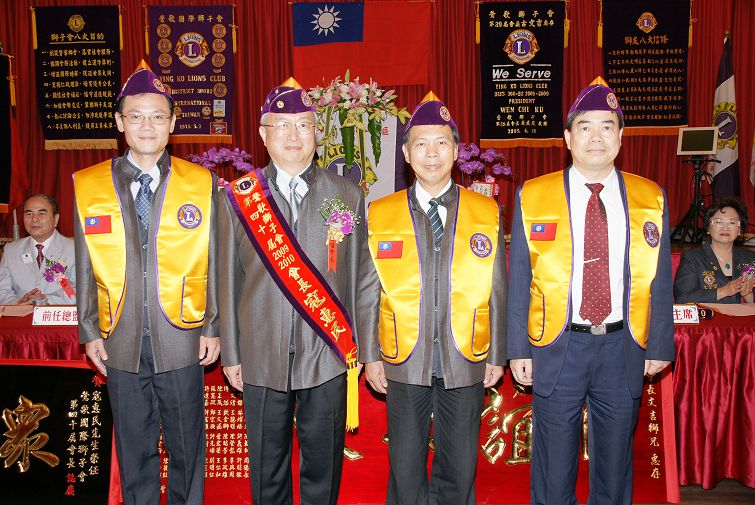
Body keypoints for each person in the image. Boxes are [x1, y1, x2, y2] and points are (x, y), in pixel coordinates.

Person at [506, 78, 675, 505]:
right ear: (568, 138)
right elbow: (520, 278)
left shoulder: (649, 197)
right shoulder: (534, 194)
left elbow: (659, 281)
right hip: (557, 345)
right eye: (585, 127)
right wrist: (518, 349)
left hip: (623, 345)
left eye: (606, 126)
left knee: (615, 466)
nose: (596, 136)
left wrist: (659, 344)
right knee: (553, 467)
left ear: (621, 136)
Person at [73, 64, 219, 505]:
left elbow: (215, 259)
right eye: (136, 116)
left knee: (186, 445)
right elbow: (85, 264)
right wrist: (89, 329)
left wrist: (212, 325)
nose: (147, 126)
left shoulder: (200, 183)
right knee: (134, 448)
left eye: (158, 116)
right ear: (120, 123)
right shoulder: (90, 184)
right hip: (120, 337)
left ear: (173, 123)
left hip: (182, 334)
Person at [218, 82, 368, 505]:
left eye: (303, 125)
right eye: (282, 125)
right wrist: (232, 353)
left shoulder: (347, 194)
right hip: (261, 353)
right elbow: (226, 280)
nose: (294, 135)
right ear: (263, 134)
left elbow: (361, 278)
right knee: (267, 468)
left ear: (317, 133)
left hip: (328, 353)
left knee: (324, 466)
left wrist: (360, 347)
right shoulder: (237, 198)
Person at [358, 95, 506, 505]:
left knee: (460, 467)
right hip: (404, 357)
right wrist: (370, 356)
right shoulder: (382, 213)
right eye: (420, 144)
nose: (431, 153)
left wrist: (497, 354)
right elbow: (368, 291)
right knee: (405, 468)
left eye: (441, 143)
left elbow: (497, 288)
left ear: (456, 151)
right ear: (406, 154)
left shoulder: (485, 211)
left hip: (466, 355)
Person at [674, 198, 755, 303]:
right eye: (718, 222)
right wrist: (722, 292)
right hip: (707, 313)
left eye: (732, 222)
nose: (725, 227)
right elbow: (682, 299)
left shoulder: (750, 258)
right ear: (708, 228)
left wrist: (749, 296)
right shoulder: (692, 258)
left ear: (739, 230)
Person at [0, 193, 76, 305]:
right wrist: (20, 302)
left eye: (41, 213)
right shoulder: (11, 251)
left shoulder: (74, 250)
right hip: (21, 314)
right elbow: (2, 291)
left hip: (57, 314)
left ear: (56, 219)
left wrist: (46, 300)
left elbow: (79, 292)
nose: (34, 219)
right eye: (29, 214)